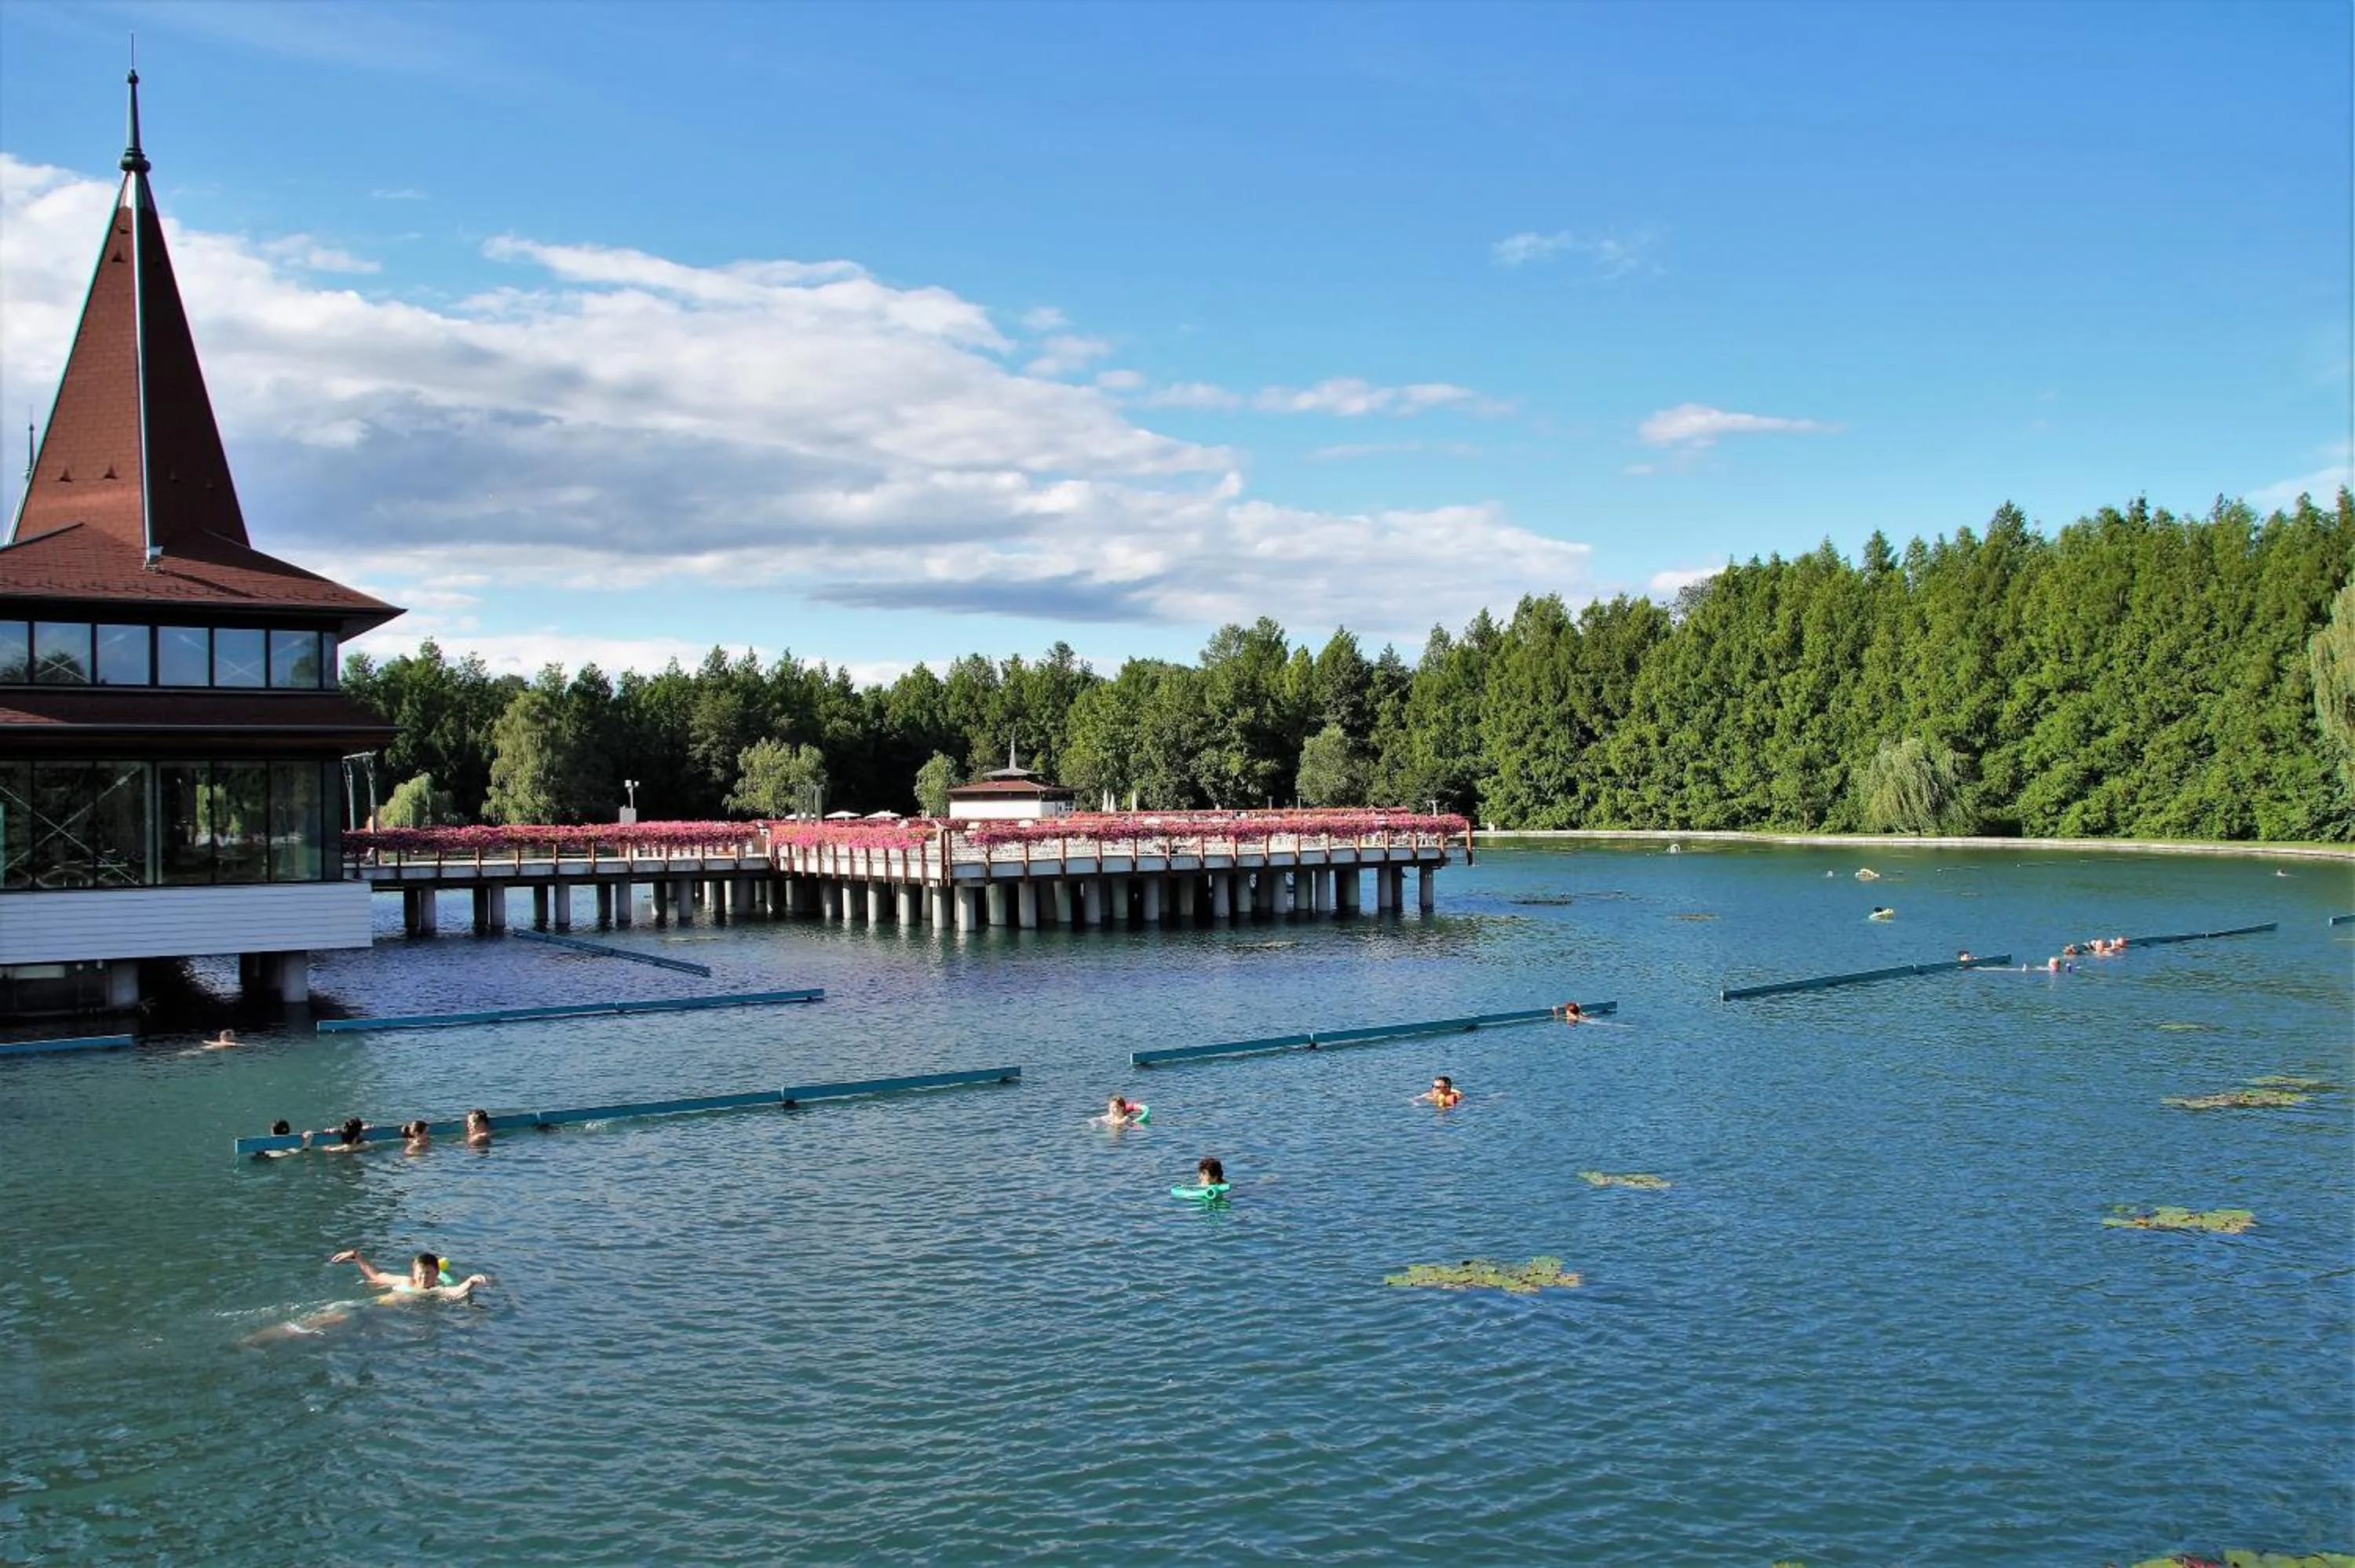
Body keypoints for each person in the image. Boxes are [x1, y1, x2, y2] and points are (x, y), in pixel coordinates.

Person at [328, 1249, 487, 1301]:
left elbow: (456, 1291)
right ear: (413, 1272)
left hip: (384, 1311)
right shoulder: (405, 1281)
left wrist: (471, 1281)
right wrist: (357, 1256)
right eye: (420, 1274)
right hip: (376, 1303)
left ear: (436, 1273)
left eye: (428, 1274)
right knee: (339, 1311)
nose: (423, 1278)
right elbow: (376, 1276)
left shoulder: (435, 1290)